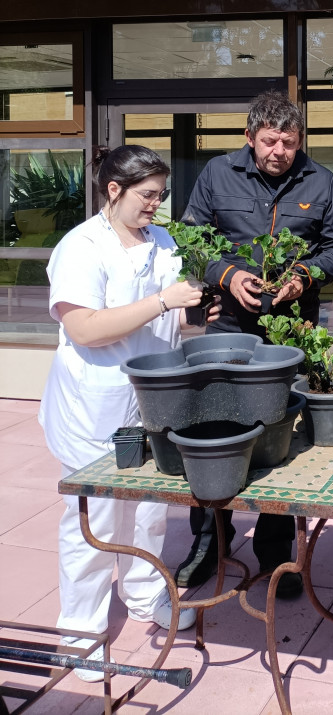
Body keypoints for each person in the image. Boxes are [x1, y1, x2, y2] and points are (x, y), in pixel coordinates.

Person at [175, 91, 333, 593]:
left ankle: (275, 551)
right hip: (228, 325)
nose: (280, 151)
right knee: (212, 426)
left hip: (291, 330)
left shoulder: (319, 181)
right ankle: (209, 540)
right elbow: (192, 240)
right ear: (249, 137)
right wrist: (228, 273)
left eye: (289, 142)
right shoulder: (217, 175)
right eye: (270, 140)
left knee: (280, 435)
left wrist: (305, 273)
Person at [39, 146, 207, 681]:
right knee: (96, 518)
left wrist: (196, 315)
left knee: (151, 507)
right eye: (147, 196)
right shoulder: (81, 247)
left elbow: (172, 318)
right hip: (98, 402)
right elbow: (84, 327)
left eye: (161, 195)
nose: (156, 206)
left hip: (151, 397)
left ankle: (145, 596)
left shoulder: (160, 239)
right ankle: (80, 631)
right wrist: (164, 302)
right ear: (113, 190)